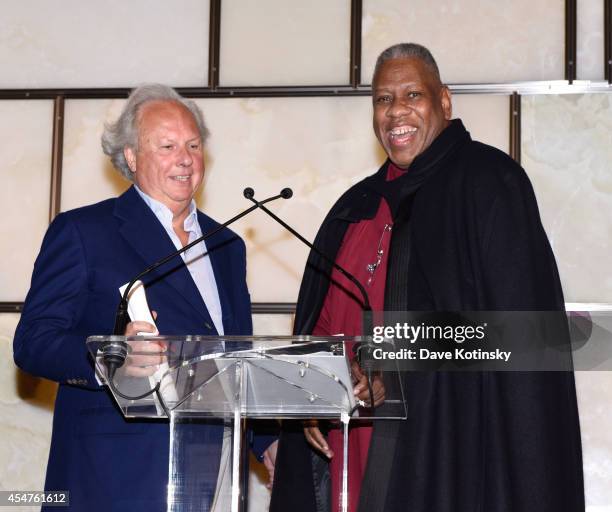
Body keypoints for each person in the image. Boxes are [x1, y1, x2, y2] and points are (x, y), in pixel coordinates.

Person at [270, 43, 584, 512]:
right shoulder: (354, 209)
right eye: (382, 99)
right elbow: (320, 331)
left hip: (451, 456)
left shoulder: (489, 183)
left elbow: (529, 339)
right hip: (349, 455)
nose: (396, 111)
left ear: (444, 100)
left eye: (412, 94)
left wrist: (392, 359)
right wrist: (312, 389)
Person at [13, 84, 255, 511]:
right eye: (167, 146)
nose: (185, 158)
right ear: (131, 157)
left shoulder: (227, 244)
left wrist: (267, 442)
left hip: (209, 468)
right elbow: (33, 341)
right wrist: (111, 356)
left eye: (193, 145)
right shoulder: (83, 232)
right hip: (110, 472)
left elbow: (237, 354)